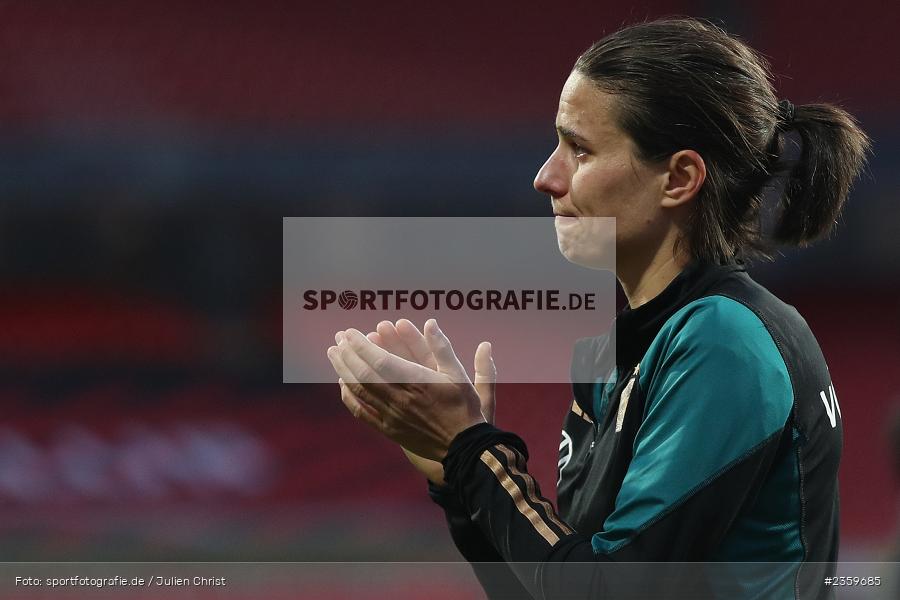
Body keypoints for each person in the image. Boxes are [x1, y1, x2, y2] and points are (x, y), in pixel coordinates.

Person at [326, 18, 870, 599]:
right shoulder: (625, 353)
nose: (546, 177)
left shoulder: (723, 339)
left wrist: (472, 453)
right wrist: (457, 475)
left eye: (580, 149)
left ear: (680, 178)